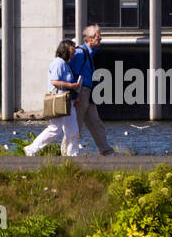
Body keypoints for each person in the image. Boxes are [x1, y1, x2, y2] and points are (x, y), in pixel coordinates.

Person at [24, 40, 83, 156]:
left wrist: (75, 94)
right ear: (65, 49)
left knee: (73, 130)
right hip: (59, 101)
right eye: (72, 49)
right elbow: (54, 81)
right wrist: (72, 86)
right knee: (55, 129)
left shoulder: (65, 64)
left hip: (68, 101)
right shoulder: (58, 63)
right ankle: (31, 149)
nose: (74, 51)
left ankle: (73, 155)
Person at [73, 24, 114, 155]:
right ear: (90, 39)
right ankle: (68, 153)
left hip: (88, 92)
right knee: (76, 124)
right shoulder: (79, 53)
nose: (100, 38)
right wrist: (75, 94)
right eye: (98, 36)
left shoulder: (90, 53)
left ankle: (106, 151)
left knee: (96, 122)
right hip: (81, 92)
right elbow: (72, 72)